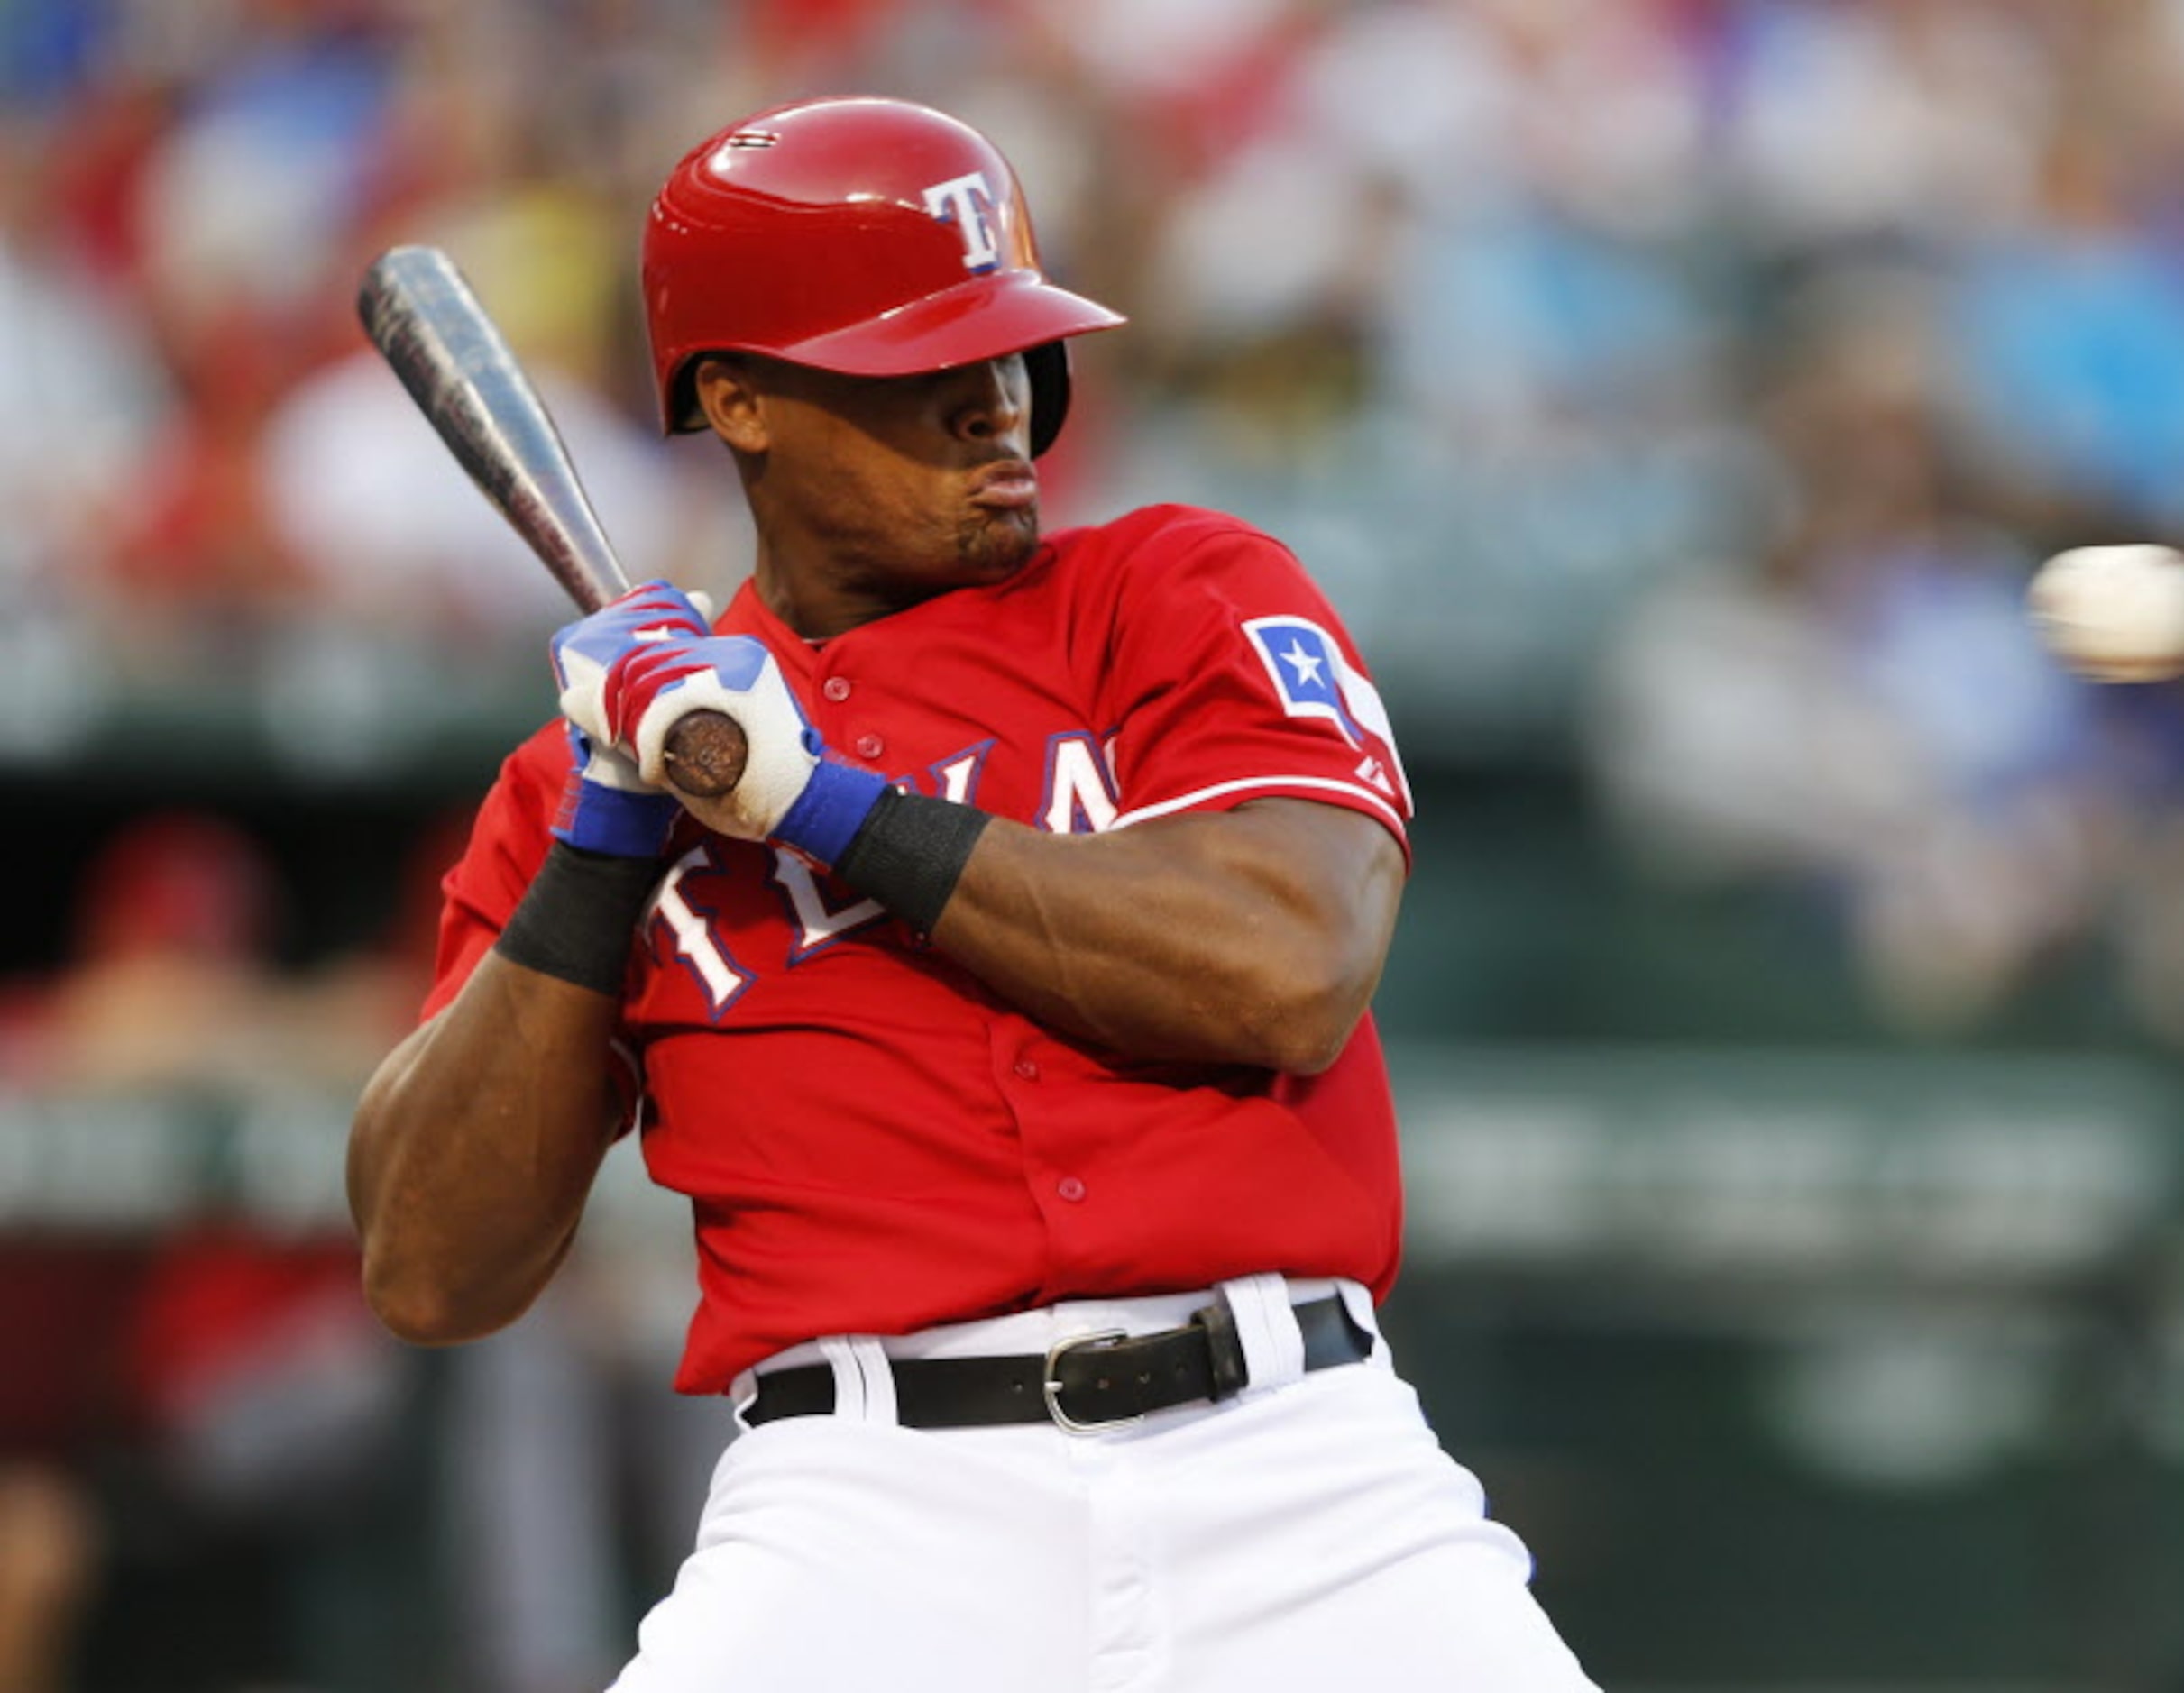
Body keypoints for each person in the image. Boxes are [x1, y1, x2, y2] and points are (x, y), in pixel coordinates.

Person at [347, 96, 1598, 1690]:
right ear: (737, 399)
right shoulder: (590, 781)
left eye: (1010, 348)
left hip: (1298, 1471)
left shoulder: (1174, 593)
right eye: (917, 364)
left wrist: (821, 803)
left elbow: (1290, 963)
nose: (996, 402)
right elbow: (432, 1267)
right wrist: (605, 841)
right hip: (865, 1506)